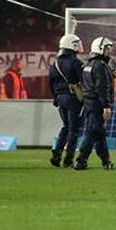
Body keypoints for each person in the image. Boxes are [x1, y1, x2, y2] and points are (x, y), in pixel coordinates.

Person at [74, 36, 115, 170]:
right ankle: (81, 160)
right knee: (93, 132)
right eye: (107, 48)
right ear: (100, 49)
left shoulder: (89, 65)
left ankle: (106, 160)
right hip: (97, 103)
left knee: (99, 132)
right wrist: (106, 105)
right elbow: (101, 88)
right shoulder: (100, 66)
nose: (109, 51)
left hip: (90, 103)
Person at [49, 33, 84, 168]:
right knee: (74, 129)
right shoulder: (76, 62)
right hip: (73, 99)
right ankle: (68, 159)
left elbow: (50, 83)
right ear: (73, 45)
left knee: (65, 127)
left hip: (60, 98)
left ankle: (56, 154)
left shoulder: (55, 64)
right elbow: (83, 81)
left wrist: (56, 98)